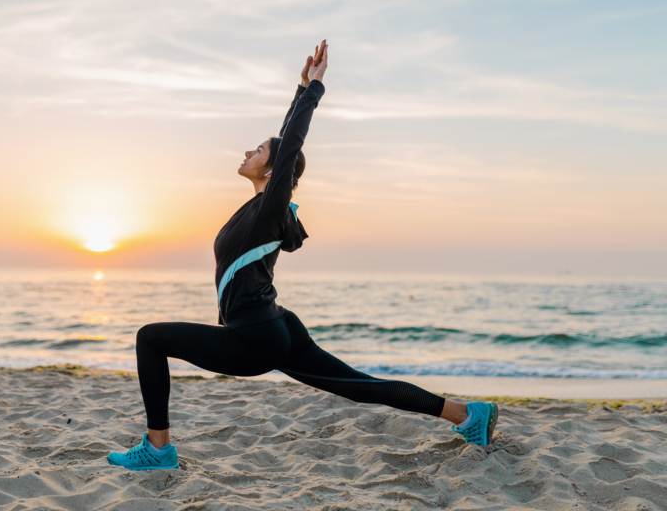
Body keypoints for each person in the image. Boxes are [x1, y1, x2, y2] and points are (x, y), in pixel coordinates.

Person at [108, 40, 498, 471]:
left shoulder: (272, 207)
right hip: (277, 326)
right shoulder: (260, 207)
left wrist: (314, 88)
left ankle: (159, 449)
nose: (246, 152)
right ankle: (467, 414)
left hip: (253, 337)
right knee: (359, 386)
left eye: (256, 151)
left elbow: (290, 143)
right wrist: (298, 88)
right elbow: (284, 143)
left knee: (150, 337)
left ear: (273, 172)